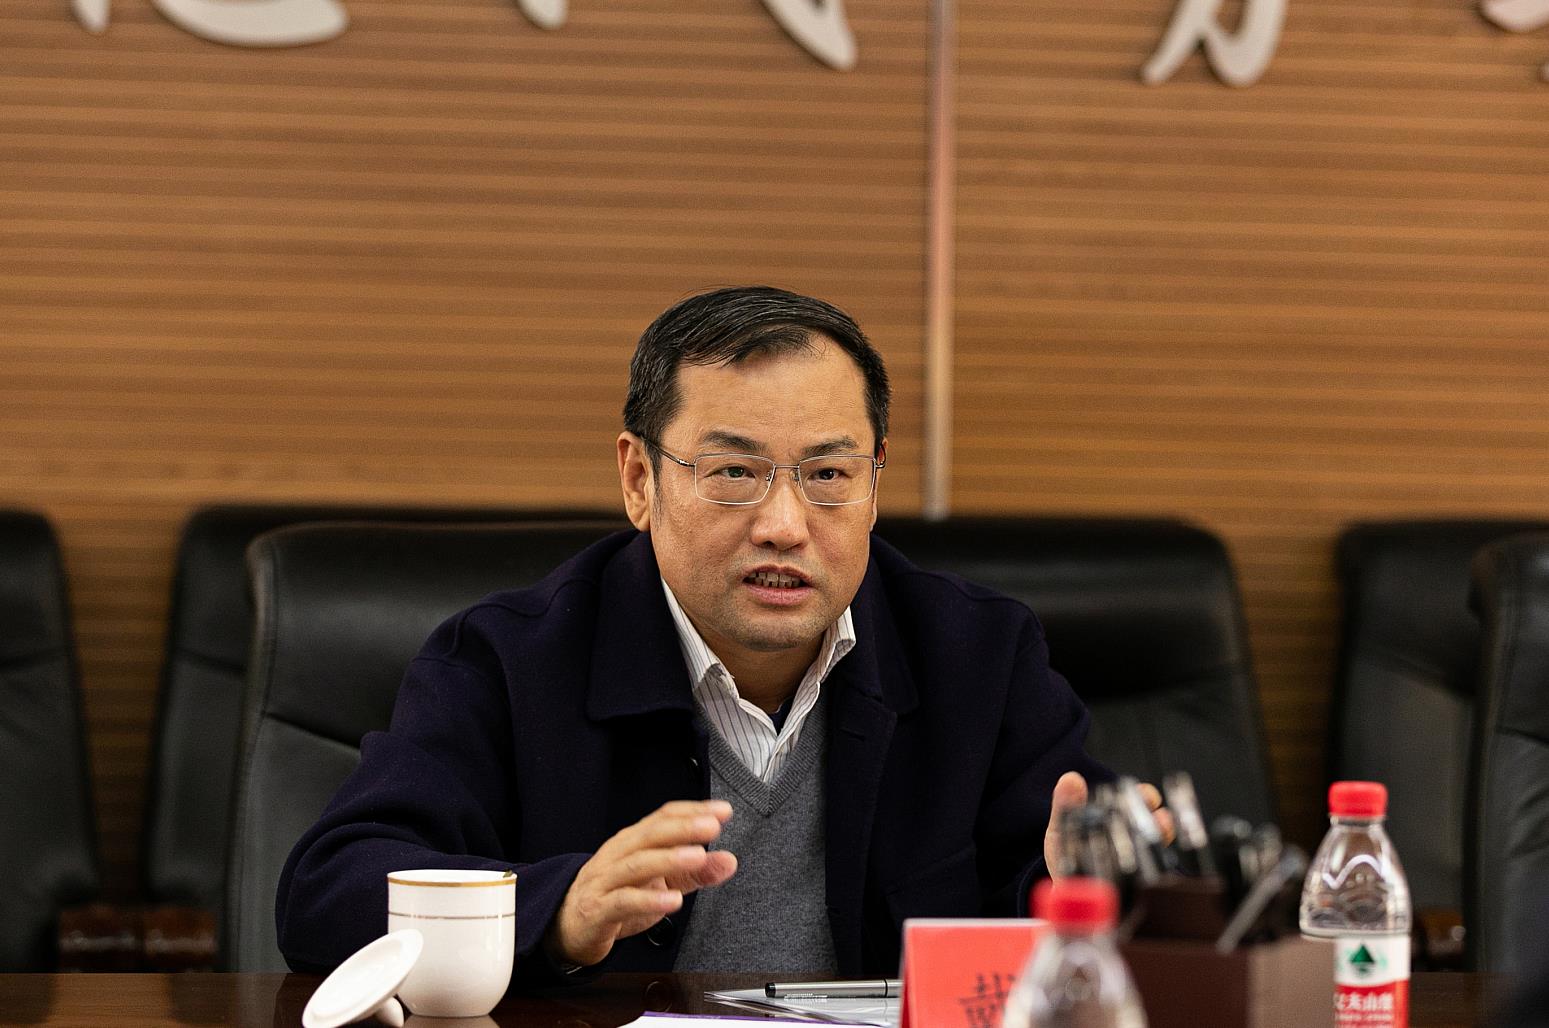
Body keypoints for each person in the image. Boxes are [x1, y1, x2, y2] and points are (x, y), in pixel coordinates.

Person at [276, 285, 1159, 985]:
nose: (784, 525)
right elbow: (329, 895)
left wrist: (1083, 885)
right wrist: (560, 912)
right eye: (734, 471)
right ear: (638, 480)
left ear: (874, 482)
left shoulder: (977, 653)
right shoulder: (509, 659)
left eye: (827, 474)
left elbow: (1056, 890)